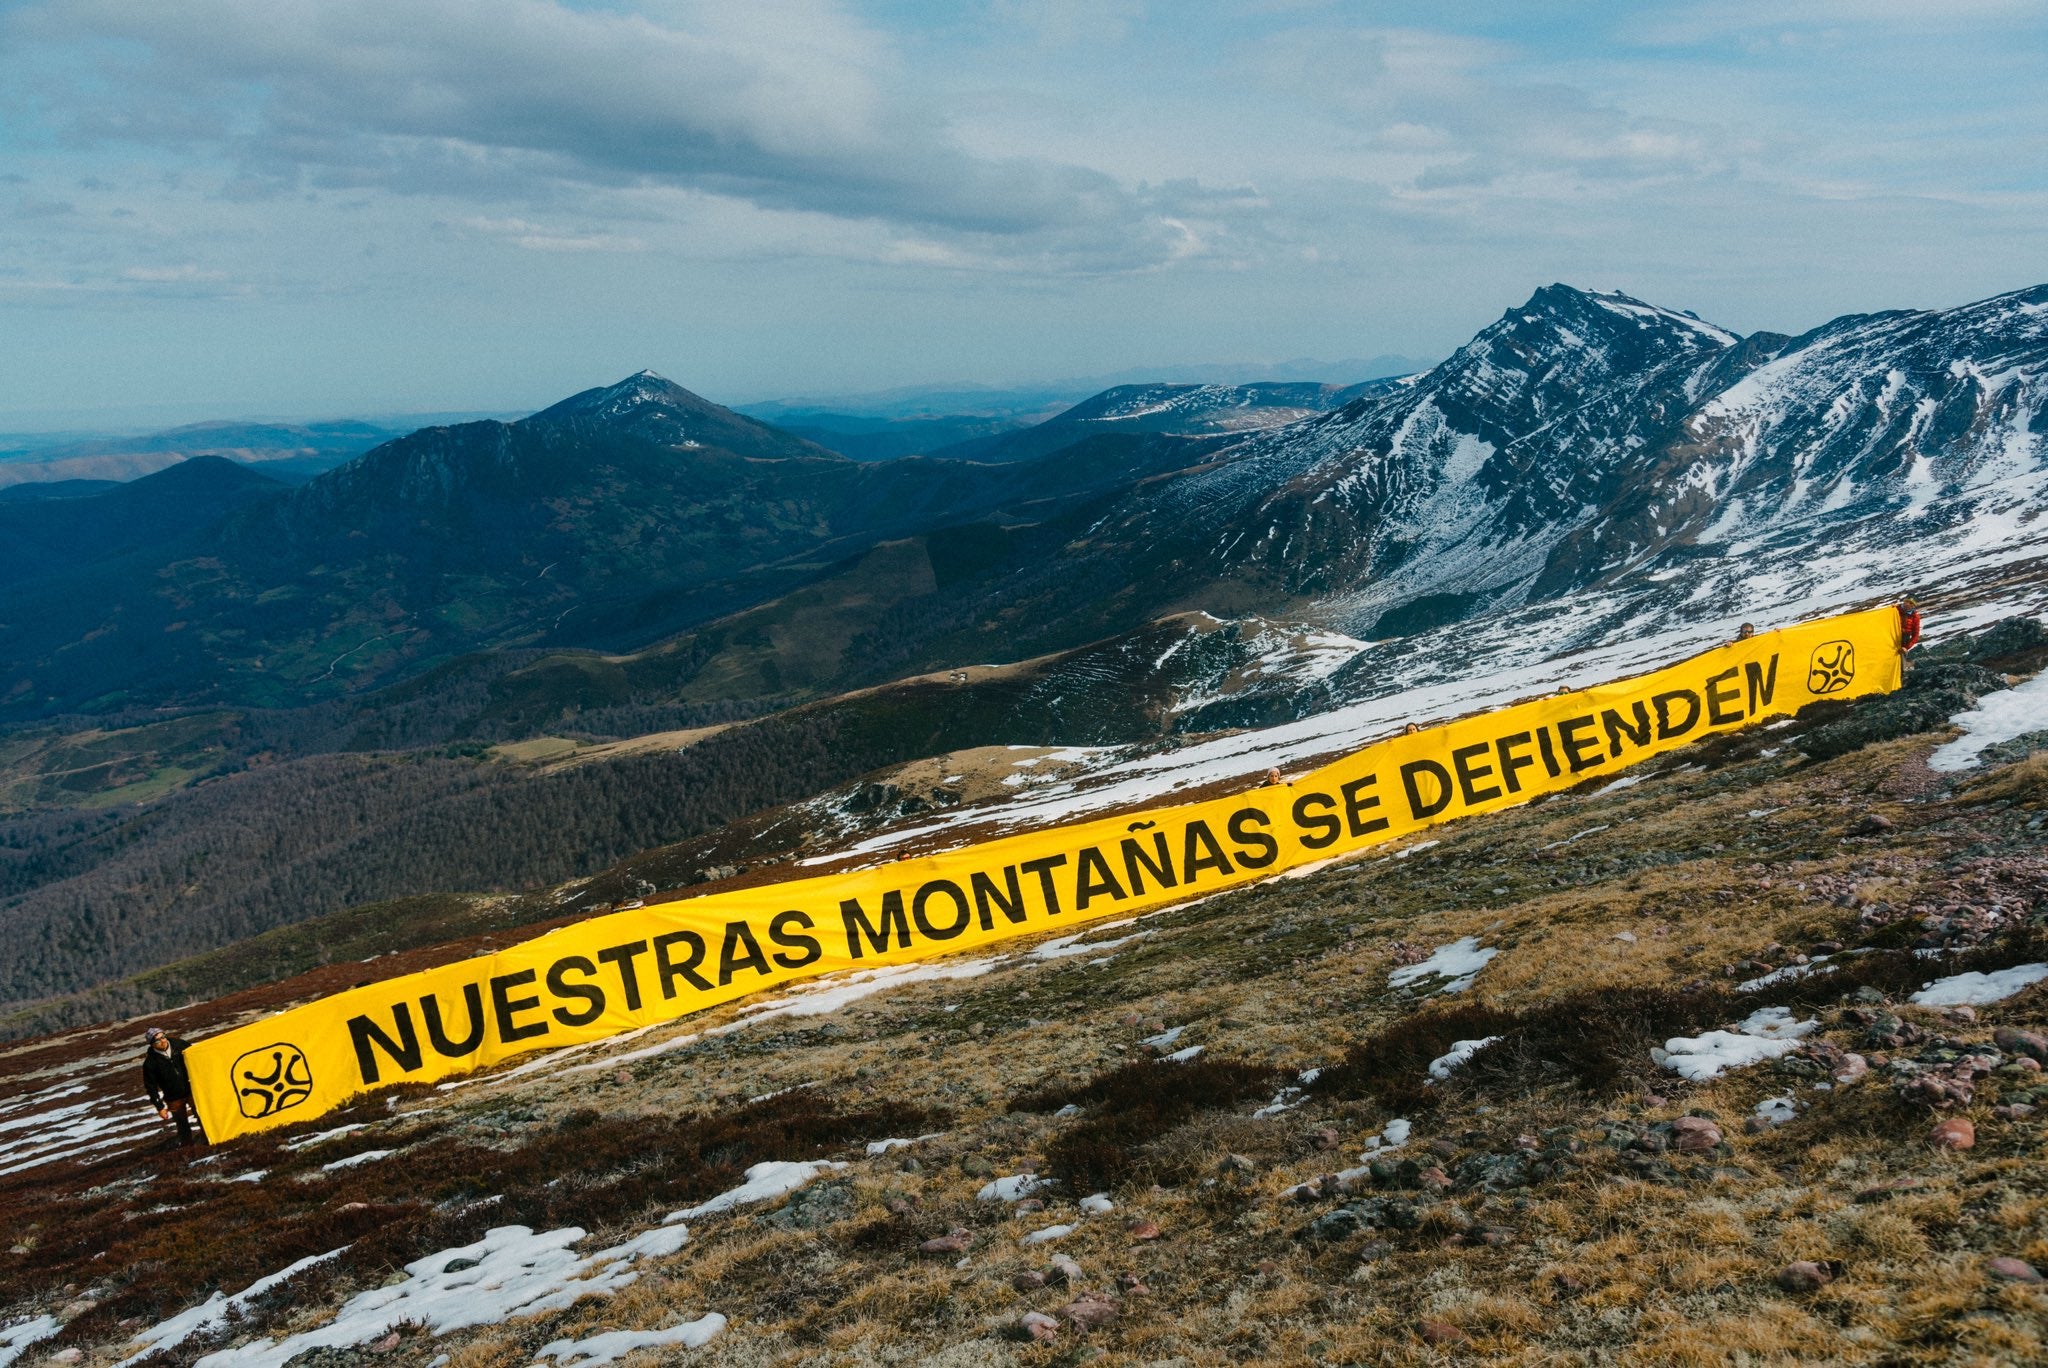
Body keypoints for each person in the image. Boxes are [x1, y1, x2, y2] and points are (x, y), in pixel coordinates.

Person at [141, 1026, 203, 1147]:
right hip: (173, 1097)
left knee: (202, 1116)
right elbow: (151, 1087)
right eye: (157, 1040)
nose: (162, 1041)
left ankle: (208, 1138)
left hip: (192, 1090)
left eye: (163, 1037)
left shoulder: (180, 1045)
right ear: (152, 1044)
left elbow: (197, 1057)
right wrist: (160, 1107)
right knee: (182, 1124)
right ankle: (188, 1148)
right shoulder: (150, 1063)